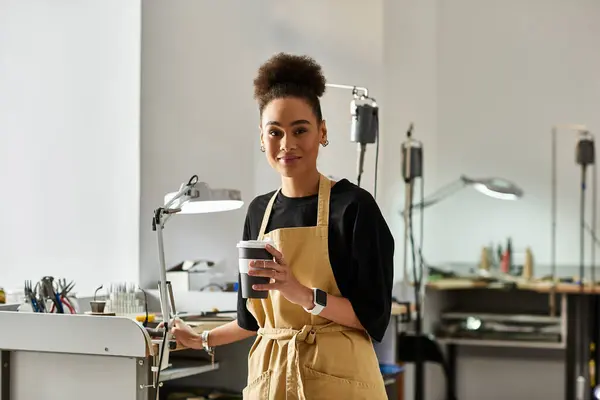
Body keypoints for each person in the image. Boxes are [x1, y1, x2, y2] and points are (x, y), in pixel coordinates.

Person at [168, 52, 395, 400]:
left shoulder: (354, 208)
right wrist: (199, 338)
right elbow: (251, 320)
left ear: (322, 132)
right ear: (262, 138)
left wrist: (302, 294)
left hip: (338, 382)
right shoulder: (259, 212)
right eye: (275, 132)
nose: (287, 144)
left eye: (299, 130)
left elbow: (372, 317)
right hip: (272, 379)